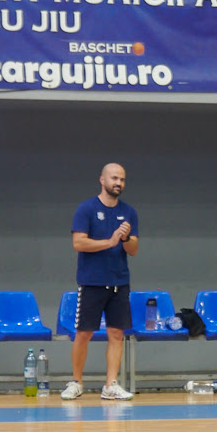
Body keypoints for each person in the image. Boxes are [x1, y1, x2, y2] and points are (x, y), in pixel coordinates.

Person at [62, 163, 138, 402]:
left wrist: (125, 238)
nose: (118, 183)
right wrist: (110, 241)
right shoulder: (86, 209)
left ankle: (111, 385)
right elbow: (78, 243)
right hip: (92, 282)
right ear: (102, 180)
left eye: (122, 179)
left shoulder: (129, 212)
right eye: (114, 178)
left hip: (119, 282)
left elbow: (133, 249)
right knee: (84, 333)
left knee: (116, 334)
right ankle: (76, 382)